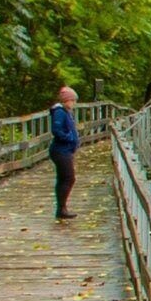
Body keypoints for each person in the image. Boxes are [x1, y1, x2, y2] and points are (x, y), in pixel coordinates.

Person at [48, 85, 81, 221]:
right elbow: (56, 130)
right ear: (66, 100)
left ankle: (61, 208)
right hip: (61, 150)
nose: (74, 103)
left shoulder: (66, 112)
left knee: (64, 178)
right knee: (68, 178)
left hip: (65, 150)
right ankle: (61, 208)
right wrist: (69, 138)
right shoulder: (60, 112)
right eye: (72, 100)